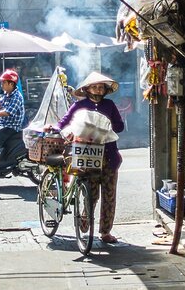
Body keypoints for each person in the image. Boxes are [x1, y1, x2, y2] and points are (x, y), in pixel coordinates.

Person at [45, 71, 124, 243]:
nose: (97, 89)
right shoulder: (78, 106)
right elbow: (63, 123)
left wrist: (108, 125)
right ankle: (84, 225)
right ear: (87, 89)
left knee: (109, 195)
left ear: (105, 90)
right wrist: (54, 128)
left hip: (109, 156)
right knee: (91, 194)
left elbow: (119, 127)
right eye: (94, 87)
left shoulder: (109, 105)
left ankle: (105, 232)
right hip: (87, 156)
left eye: (100, 87)